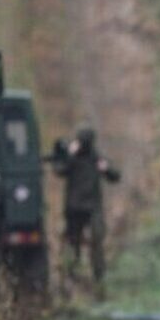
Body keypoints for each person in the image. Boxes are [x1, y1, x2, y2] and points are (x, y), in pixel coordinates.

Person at [52, 125, 120, 299]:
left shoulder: (96, 158)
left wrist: (106, 168)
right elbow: (59, 170)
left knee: (97, 240)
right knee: (72, 244)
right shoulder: (72, 158)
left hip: (91, 207)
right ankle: (71, 278)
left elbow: (115, 176)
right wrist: (69, 155)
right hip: (74, 208)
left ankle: (98, 278)